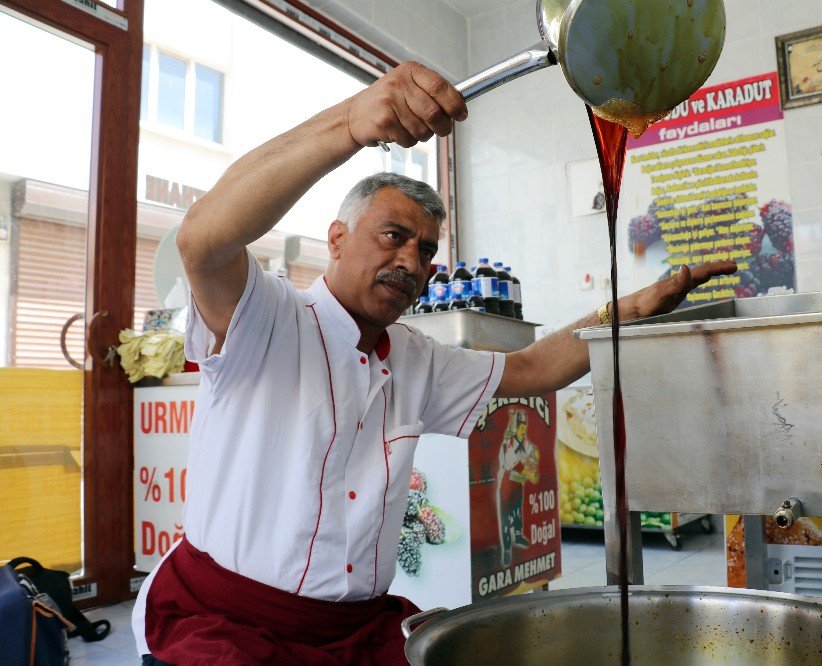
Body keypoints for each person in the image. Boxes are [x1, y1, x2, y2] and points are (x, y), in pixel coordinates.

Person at [132, 60, 737, 665]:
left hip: (356, 630)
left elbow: (532, 369)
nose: (412, 262)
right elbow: (202, 240)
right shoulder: (266, 318)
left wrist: (635, 306)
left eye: (425, 251)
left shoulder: (416, 359)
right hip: (227, 624)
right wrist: (350, 122)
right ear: (337, 238)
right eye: (392, 235)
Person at [496, 408, 539, 567]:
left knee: (517, 511)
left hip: (518, 485)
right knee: (506, 517)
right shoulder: (509, 443)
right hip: (507, 485)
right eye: (521, 427)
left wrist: (534, 456)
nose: (523, 430)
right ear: (516, 427)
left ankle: (518, 535)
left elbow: (531, 452)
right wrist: (526, 468)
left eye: (525, 427)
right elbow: (509, 463)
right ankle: (507, 549)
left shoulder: (524, 441)